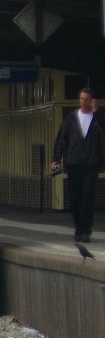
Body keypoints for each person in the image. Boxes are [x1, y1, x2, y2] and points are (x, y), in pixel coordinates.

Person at [52, 87, 105, 243]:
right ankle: (78, 228)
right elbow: (62, 139)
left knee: (87, 198)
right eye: (82, 98)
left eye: (87, 99)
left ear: (92, 101)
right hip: (73, 164)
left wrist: (96, 113)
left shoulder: (97, 119)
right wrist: (56, 159)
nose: (84, 102)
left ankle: (86, 230)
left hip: (91, 164)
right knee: (75, 199)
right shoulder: (71, 118)